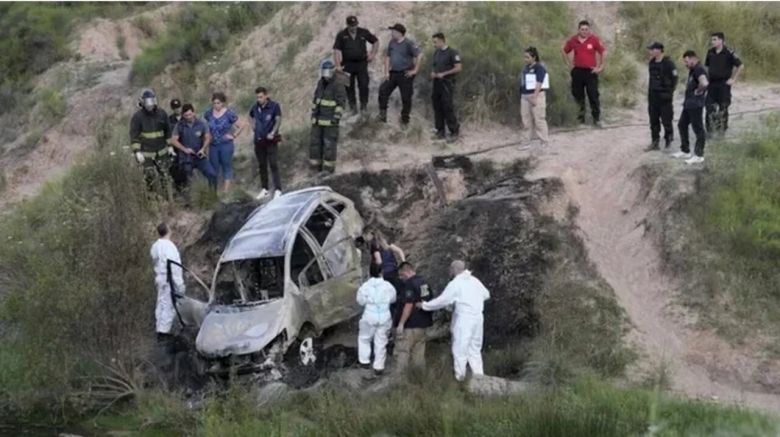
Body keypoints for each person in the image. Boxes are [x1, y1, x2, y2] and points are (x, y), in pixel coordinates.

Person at [419, 260, 490, 382]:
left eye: (450, 269)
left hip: (465, 318)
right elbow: (486, 294)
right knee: (474, 349)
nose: (449, 272)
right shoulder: (475, 281)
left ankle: (460, 378)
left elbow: (442, 300)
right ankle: (480, 378)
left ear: (453, 269)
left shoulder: (456, 283)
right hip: (478, 318)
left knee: (460, 348)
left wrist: (425, 305)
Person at [561, 20, 607, 127]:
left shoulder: (594, 39)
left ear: (589, 30)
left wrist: (601, 67)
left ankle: (597, 119)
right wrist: (569, 64)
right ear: (578, 30)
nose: (584, 31)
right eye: (582, 29)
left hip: (591, 72)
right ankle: (580, 121)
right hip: (577, 71)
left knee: (593, 95)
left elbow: (603, 51)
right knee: (578, 96)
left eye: (586, 29)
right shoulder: (573, 40)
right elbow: (564, 50)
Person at [129, 89, 174, 196]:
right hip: (146, 154)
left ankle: (168, 199)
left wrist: (170, 146)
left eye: (152, 101)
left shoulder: (162, 114)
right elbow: (134, 135)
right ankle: (153, 200)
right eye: (147, 102)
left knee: (165, 176)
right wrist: (137, 152)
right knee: (149, 177)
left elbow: (168, 131)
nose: (150, 105)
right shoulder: (137, 117)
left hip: (162, 151)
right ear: (142, 102)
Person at [333, 15, 379, 116]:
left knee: (364, 84)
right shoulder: (341, 35)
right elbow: (336, 50)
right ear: (347, 25)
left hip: (361, 63)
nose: (353, 27)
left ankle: (364, 106)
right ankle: (352, 107)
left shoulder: (363, 32)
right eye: (351, 26)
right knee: (348, 87)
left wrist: (372, 54)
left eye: (355, 25)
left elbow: (375, 41)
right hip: (347, 64)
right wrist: (337, 65)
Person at [356, 263, 397, 376]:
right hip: (384, 317)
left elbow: (360, 301)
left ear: (369, 273)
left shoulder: (365, 286)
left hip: (369, 316)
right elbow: (393, 299)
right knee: (381, 341)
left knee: (364, 338)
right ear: (381, 272)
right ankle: (379, 367)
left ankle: (364, 362)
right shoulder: (388, 286)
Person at [378, 23, 423, 126]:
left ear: (399, 33)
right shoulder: (392, 43)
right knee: (383, 90)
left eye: (393, 31)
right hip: (393, 73)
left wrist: (415, 70)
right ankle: (382, 116)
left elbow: (419, 55)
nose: (392, 33)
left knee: (406, 98)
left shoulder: (408, 43)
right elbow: (388, 57)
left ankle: (404, 120)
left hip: (405, 74)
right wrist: (386, 72)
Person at [394, 262, 433, 374]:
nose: (401, 278)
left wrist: (401, 324)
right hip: (423, 324)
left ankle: (400, 379)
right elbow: (429, 300)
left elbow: (408, 304)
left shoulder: (409, 284)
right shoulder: (424, 282)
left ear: (407, 272)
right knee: (419, 354)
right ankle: (419, 377)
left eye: (402, 275)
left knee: (403, 351)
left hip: (410, 325)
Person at [310, 59, 348, 174]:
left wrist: (336, 118)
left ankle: (328, 171)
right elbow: (316, 100)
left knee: (329, 146)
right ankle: (314, 170)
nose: (325, 76)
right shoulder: (320, 83)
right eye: (323, 73)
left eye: (326, 73)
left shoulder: (338, 84)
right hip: (318, 121)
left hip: (330, 123)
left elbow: (341, 103)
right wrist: (314, 115)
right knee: (315, 146)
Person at [169, 103, 217, 193]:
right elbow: (173, 140)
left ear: (194, 113)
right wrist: (185, 150)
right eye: (186, 115)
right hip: (186, 158)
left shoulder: (201, 123)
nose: (188, 117)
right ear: (183, 115)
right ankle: (189, 201)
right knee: (187, 181)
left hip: (199, 155)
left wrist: (203, 149)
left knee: (212, 174)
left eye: (190, 114)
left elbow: (208, 137)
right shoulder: (180, 125)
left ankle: (213, 195)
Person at [673, 50, 709, 165]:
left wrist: (698, 91)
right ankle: (685, 150)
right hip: (689, 104)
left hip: (695, 104)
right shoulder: (693, 70)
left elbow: (704, 83)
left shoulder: (699, 69)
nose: (686, 64)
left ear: (693, 59)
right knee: (682, 125)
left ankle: (699, 155)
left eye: (687, 61)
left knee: (698, 129)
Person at [204, 92, 244, 193]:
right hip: (213, 145)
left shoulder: (229, 113)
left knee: (226, 166)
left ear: (222, 103)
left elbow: (241, 125)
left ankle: (226, 191)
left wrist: (234, 135)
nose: (216, 105)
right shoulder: (208, 113)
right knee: (213, 168)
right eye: (214, 103)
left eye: (218, 103)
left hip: (226, 144)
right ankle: (213, 191)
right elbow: (204, 125)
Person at [705, 32, 744, 135]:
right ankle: (709, 131)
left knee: (723, 108)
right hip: (712, 84)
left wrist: (733, 79)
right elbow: (707, 66)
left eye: (714, 39)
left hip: (723, 85)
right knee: (709, 107)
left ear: (721, 40)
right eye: (712, 39)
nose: (712, 42)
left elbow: (740, 66)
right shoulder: (710, 52)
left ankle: (722, 131)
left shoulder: (729, 53)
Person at [150, 222, 185, 337]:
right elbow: (173, 265)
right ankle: (163, 334)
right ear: (168, 231)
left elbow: (155, 262)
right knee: (168, 306)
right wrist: (179, 284)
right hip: (168, 279)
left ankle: (159, 329)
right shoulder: (169, 246)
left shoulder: (155, 246)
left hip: (160, 278)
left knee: (161, 304)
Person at [248, 87, 283, 199]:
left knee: (273, 164)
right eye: (257, 97)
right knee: (262, 165)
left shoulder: (274, 106)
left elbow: (278, 120)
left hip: (270, 140)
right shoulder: (255, 107)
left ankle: (278, 189)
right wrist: (253, 127)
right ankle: (265, 189)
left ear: (266, 96)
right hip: (259, 140)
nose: (259, 99)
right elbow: (250, 116)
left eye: (261, 97)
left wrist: (273, 132)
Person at [645, 42, 679, 151]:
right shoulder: (652, 62)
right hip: (653, 96)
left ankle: (668, 141)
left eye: (652, 49)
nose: (650, 51)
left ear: (659, 50)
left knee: (666, 121)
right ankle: (655, 143)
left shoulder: (668, 63)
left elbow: (675, 78)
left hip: (664, 96)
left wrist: (670, 92)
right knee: (653, 120)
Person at [430, 32, 462, 142]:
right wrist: (433, 73)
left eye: (435, 42)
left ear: (441, 40)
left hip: (447, 83)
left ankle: (454, 131)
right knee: (437, 106)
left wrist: (444, 74)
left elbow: (458, 68)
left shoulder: (452, 52)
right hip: (436, 83)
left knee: (447, 107)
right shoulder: (436, 53)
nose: (434, 44)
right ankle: (440, 131)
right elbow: (434, 66)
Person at [519, 46, 549, 147]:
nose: (525, 59)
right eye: (525, 57)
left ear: (534, 57)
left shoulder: (539, 67)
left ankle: (544, 141)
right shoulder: (526, 68)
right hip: (525, 96)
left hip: (536, 95)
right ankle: (526, 142)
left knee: (539, 119)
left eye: (527, 57)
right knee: (525, 120)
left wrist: (535, 97)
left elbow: (539, 82)